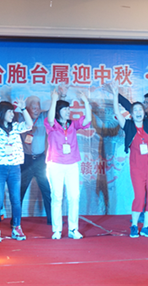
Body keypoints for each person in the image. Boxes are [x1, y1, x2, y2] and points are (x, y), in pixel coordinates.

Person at [110, 81, 148, 238]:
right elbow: (117, 111)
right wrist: (115, 94)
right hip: (137, 167)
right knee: (139, 196)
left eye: (140, 109)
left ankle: (146, 227)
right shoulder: (128, 125)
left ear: (144, 113)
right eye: (135, 110)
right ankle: (134, 225)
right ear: (131, 114)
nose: (138, 112)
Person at [0, 90, 32, 242]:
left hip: (14, 168)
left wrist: (23, 109)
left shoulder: (15, 127)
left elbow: (29, 125)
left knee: (16, 199)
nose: (12, 114)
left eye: (12, 111)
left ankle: (17, 227)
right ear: (2, 113)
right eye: (9, 111)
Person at [45, 88, 92, 240]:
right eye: (65, 109)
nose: (68, 111)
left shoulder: (72, 124)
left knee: (74, 196)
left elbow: (87, 120)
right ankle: (57, 230)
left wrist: (85, 102)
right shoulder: (51, 124)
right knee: (57, 197)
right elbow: (50, 119)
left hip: (72, 164)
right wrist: (54, 99)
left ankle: (73, 229)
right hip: (55, 164)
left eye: (68, 109)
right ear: (58, 111)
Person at [19, 90, 67, 226]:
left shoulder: (44, 116)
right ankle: (16, 221)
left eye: (38, 107)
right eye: (33, 107)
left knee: (47, 190)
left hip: (40, 160)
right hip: (25, 160)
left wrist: (61, 96)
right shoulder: (21, 117)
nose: (36, 110)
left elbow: (55, 110)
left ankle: (53, 219)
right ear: (27, 108)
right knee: (20, 190)